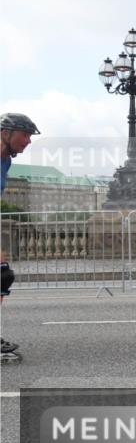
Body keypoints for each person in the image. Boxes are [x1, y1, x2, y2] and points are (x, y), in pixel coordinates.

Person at [1, 112, 41, 362]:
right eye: (24, 135)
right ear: (6, 133)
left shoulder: (5, 162)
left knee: (2, 275)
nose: (28, 141)